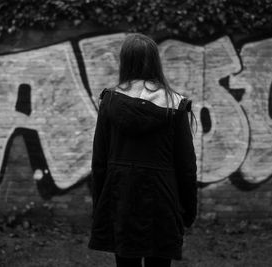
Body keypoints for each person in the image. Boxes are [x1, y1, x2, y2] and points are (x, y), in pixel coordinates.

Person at [88, 33, 197, 267]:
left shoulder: (109, 101)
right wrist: (188, 211)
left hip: (121, 199)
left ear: (124, 61)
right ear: (155, 61)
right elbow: (186, 166)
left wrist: (101, 206)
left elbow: (99, 163)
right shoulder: (175, 105)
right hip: (163, 203)